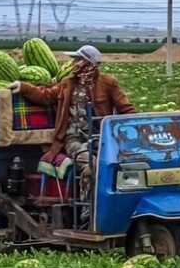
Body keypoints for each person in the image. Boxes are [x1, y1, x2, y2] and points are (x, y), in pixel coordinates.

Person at [9, 44, 135, 189]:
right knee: (91, 165)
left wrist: (137, 129)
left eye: (78, 60)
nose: (74, 64)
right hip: (73, 140)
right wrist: (24, 87)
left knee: (119, 166)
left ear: (89, 63)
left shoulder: (108, 84)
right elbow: (45, 96)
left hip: (101, 139)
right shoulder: (68, 84)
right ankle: (88, 208)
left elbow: (126, 109)